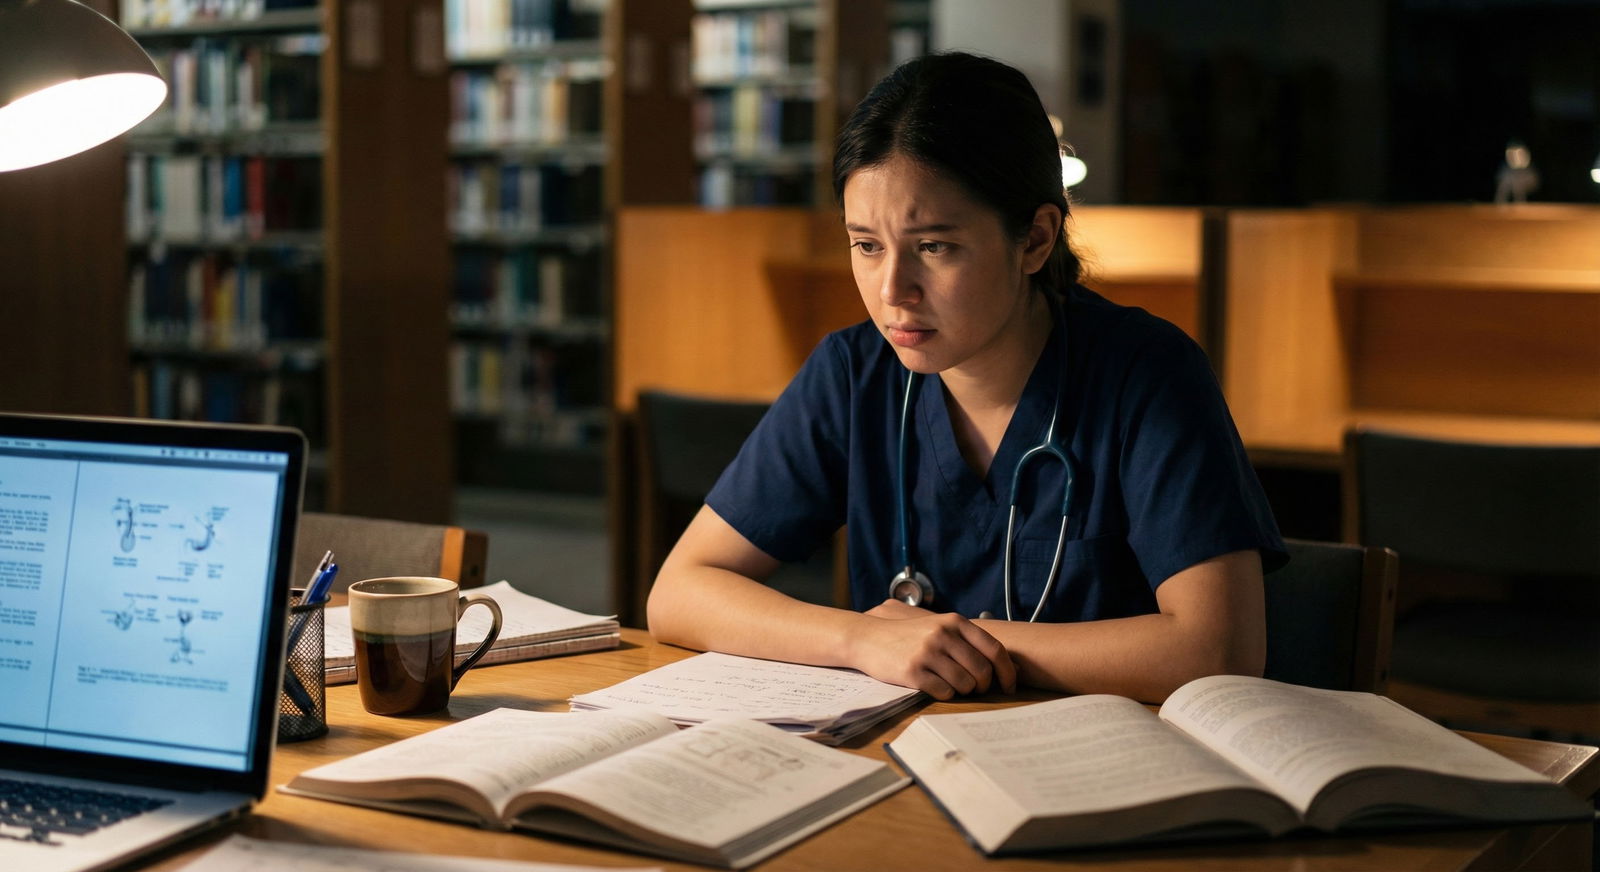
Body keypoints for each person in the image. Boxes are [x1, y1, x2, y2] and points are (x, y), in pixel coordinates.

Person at [648, 52, 1285, 703]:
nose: (893, 291)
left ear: (1036, 239)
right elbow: (680, 591)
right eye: (866, 245)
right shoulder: (854, 374)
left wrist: (941, 645)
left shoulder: (1146, 375)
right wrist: (863, 640)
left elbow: (1220, 649)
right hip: (903, 754)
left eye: (934, 247)